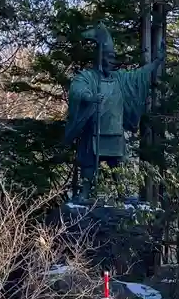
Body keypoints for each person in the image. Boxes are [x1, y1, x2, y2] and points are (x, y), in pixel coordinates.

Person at [64, 22, 165, 202]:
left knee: (118, 163)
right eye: (108, 57)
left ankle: (122, 194)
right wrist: (89, 97)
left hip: (114, 130)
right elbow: (77, 88)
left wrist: (156, 62)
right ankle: (85, 192)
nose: (111, 61)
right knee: (89, 164)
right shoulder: (89, 77)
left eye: (113, 57)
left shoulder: (120, 79)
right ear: (100, 57)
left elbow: (139, 75)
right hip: (94, 130)